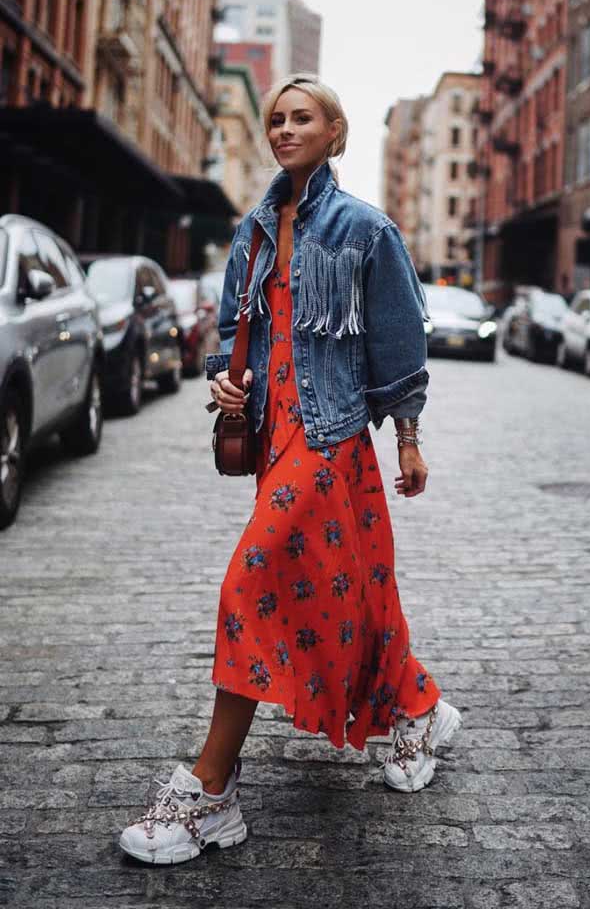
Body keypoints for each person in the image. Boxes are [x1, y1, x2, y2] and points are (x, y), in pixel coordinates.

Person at [119, 74, 462, 866]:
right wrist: (223, 376)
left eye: (300, 117)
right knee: (353, 590)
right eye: (275, 118)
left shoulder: (365, 230)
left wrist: (407, 436)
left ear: (335, 132)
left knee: (252, 580)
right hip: (277, 439)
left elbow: (399, 341)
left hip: (332, 437)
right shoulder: (254, 230)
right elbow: (237, 325)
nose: (283, 129)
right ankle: (418, 707)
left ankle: (210, 791)